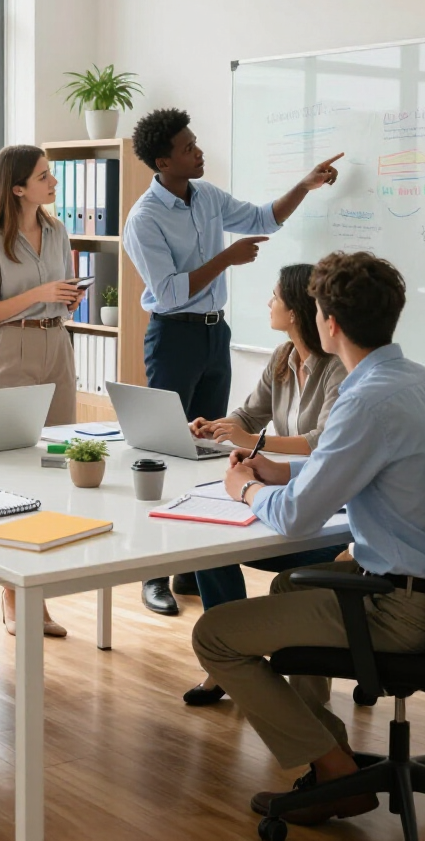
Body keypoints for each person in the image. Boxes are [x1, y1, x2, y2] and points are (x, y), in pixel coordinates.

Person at [192, 251, 425, 828]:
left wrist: (244, 488)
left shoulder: (362, 399)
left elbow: (293, 520)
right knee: (290, 583)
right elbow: (350, 469)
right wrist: (277, 469)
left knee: (215, 636)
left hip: (401, 607)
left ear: (329, 323)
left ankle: (336, 774)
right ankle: (330, 753)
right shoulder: (415, 380)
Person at [122, 108, 342, 616]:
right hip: (172, 336)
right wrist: (226, 257)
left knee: (205, 445)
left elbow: (264, 218)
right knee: (169, 451)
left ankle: (192, 565)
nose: (199, 152)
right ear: (163, 160)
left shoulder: (207, 196)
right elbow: (169, 292)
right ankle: (153, 574)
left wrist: (304, 185)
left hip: (213, 333)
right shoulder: (144, 218)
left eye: (196, 143)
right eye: (188, 148)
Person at [181, 263, 348, 706]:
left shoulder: (337, 368)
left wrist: (253, 443)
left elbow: (323, 441)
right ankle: (227, 664)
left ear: (295, 310)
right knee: (209, 548)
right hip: (282, 489)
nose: (268, 304)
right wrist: (215, 427)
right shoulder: (281, 358)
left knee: (286, 571)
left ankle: (266, 674)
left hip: (323, 509)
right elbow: (249, 414)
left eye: (275, 297)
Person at [0, 143, 82, 637]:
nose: (53, 183)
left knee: (57, 465)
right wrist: (38, 294)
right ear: (17, 187)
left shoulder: (57, 231)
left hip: (57, 345)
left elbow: (61, 292)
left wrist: (66, 299)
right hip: (12, 350)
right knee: (13, 472)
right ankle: (13, 597)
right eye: (43, 177)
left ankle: (38, 595)